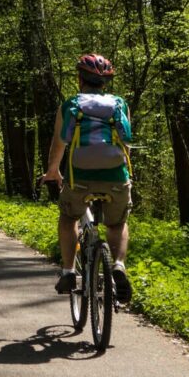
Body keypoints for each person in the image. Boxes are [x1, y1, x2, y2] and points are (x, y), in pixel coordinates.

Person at [42, 54, 134, 303]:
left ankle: (69, 271)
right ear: (105, 82)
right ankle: (118, 265)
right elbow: (125, 140)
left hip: (79, 176)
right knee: (116, 224)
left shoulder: (71, 104)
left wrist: (53, 171)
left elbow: (59, 142)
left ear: (80, 79)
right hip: (116, 175)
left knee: (69, 217)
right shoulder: (119, 104)